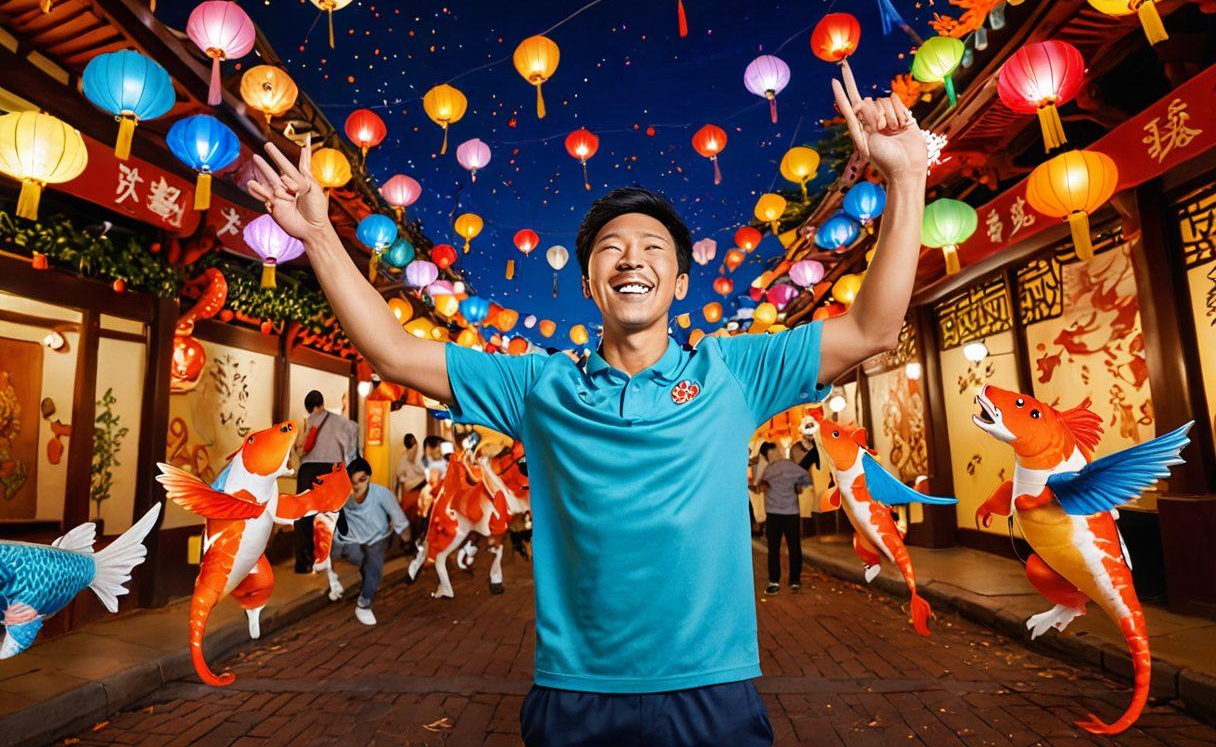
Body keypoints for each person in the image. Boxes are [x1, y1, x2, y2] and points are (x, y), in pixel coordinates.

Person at [249, 70, 927, 745]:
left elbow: (873, 329)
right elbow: (396, 354)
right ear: (589, 284)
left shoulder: (734, 372)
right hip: (576, 693)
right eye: (613, 249)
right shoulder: (540, 387)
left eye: (652, 249)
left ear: (681, 283)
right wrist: (320, 238)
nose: (632, 259)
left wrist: (906, 178)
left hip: (713, 687)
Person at [331, 457, 411, 625]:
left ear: (369, 478)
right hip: (350, 541)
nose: (357, 486)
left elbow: (399, 521)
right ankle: (366, 584)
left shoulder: (381, 494)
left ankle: (364, 604)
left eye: (362, 480)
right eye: (352, 482)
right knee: (365, 565)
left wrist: (409, 544)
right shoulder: (341, 497)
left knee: (373, 564)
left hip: (378, 538)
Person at [295, 390, 359, 573]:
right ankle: (341, 552)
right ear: (322, 402)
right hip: (332, 470)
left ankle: (304, 562)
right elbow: (352, 438)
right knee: (337, 511)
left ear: (309, 407)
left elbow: (303, 448)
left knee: (304, 515)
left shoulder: (311, 420)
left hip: (309, 470)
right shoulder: (340, 421)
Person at [755, 442, 811, 595]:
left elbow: (758, 486)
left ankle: (774, 582)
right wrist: (797, 486)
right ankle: (794, 581)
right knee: (794, 547)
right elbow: (805, 480)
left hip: (773, 514)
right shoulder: (791, 466)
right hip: (791, 513)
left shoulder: (765, 469)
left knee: (773, 549)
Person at [395, 433, 426, 536]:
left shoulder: (409, 460)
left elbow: (402, 476)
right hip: (412, 492)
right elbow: (400, 479)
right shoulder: (406, 459)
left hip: (412, 492)